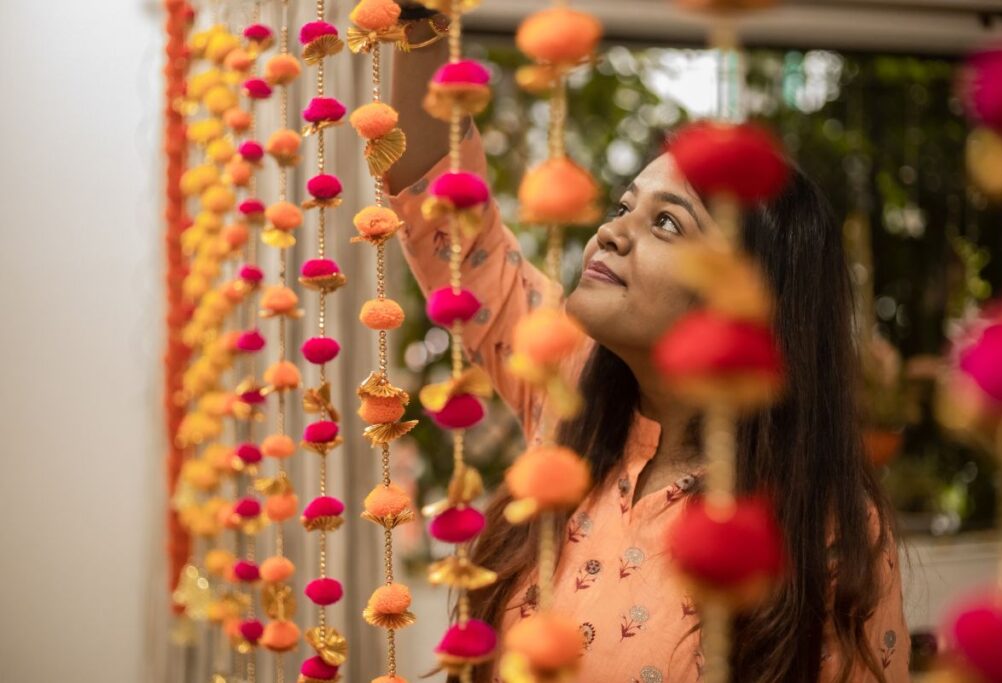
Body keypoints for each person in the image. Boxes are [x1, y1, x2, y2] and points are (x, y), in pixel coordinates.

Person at [384, 8, 912, 682]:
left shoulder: (828, 527)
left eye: (666, 222)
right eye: (623, 206)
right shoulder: (569, 387)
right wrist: (420, 16)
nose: (611, 232)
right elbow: (443, 204)